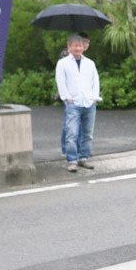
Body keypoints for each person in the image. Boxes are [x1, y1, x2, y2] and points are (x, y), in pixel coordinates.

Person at [55, 33, 100, 173]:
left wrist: (94, 97)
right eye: (75, 45)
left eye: (80, 45)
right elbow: (60, 82)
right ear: (69, 47)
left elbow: (95, 81)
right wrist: (66, 97)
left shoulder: (90, 63)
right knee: (72, 133)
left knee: (88, 133)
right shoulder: (63, 63)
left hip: (89, 103)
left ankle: (84, 158)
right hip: (73, 103)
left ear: (84, 47)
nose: (78, 48)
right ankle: (72, 160)